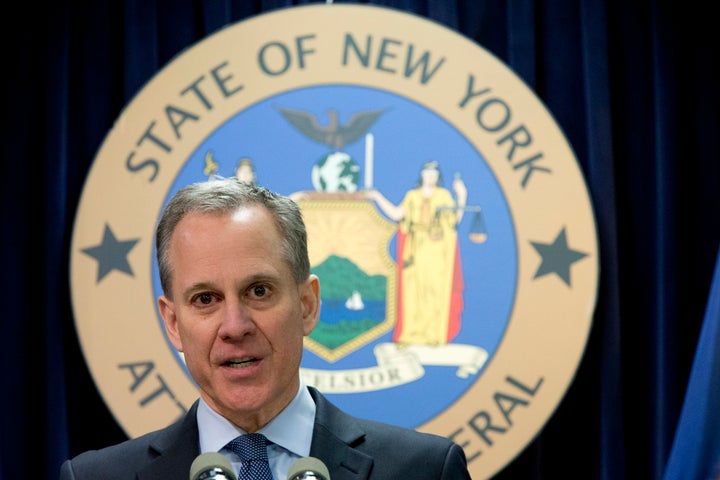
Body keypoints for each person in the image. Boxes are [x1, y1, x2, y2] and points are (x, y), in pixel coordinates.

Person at [59, 178, 471, 479]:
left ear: (307, 305)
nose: (235, 326)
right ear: (173, 323)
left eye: (258, 290)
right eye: (206, 299)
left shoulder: (425, 470)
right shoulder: (96, 476)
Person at [365, 161, 467, 348]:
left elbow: (454, 221)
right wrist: (377, 197)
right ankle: (411, 334)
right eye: (427, 173)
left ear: (438, 176)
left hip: (436, 251)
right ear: (422, 175)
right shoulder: (412, 196)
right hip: (415, 250)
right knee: (413, 292)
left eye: (433, 173)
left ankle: (433, 335)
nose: (430, 177)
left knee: (434, 290)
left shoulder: (443, 196)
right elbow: (397, 214)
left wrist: (462, 196)